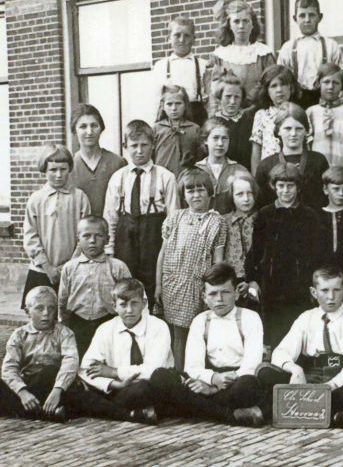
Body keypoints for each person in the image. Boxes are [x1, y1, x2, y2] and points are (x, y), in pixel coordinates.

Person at [257, 266, 343, 431]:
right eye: (324, 290)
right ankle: (337, 416)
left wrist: (328, 388)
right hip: (308, 378)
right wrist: (295, 370)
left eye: (336, 290)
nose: (331, 297)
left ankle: (283, 411)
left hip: (340, 381)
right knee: (264, 370)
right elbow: (280, 352)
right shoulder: (306, 318)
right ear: (314, 292)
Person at [149, 263, 265, 427]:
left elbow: (251, 365)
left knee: (249, 386)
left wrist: (216, 389)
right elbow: (193, 366)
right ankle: (229, 415)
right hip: (207, 378)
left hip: (236, 380)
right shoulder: (200, 321)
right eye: (213, 294)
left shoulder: (250, 318)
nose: (219, 299)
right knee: (160, 377)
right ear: (204, 296)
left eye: (225, 292)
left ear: (236, 293)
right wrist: (212, 379)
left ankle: (191, 408)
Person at [156, 166, 227, 370]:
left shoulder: (217, 222)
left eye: (200, 190)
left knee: (200, 334)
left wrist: (212, 289)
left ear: (209, 192)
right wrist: (158, 285)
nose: (196, 195)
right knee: (178, 335)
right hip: (174, 283)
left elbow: (218, 261)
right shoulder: (175, 218)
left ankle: (197, 376)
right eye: (190, 190)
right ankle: (178, 379)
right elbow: (163, 254)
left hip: (199, 285)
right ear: (183, 194)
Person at [244, 163, 323, 348]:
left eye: (290, 186)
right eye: (281, 186)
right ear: (274, 186)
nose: (285, 191)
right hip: (272, 284)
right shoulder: (265, 214)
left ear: (298, 187)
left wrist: (313, 281)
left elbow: (317, 252)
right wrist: (253, 279)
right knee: (273, 331)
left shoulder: (309, 216)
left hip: (300, 285)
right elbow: (255, 251)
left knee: (299, 329)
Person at [103, 120, 179, 307]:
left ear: (152, 145)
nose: (139, 150)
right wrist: (110, 250)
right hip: (125, 240)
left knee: (153, 287)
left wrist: (169, 252)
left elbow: (173, 218)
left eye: (144, 145)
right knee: (126, 287)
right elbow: (110, 218)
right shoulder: (118, 178)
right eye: (134, 146)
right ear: (125, 147)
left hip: (153, 239)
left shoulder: (165, 176)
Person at [80, 279, 174, 424]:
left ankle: (108, 410)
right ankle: (132, 414)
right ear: (114, 306)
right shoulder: (105, 329)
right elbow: (86, 368)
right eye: (123, 305)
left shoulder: (159, 327)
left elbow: (152, 370)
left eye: (134, 303)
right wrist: (113, 383)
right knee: (79, 390)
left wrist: (113, 372)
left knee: (145, 387)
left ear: (143, 303)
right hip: (118, 390)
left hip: (148, 386)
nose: (129, 310)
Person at [22, 144, 91, 308]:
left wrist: (70, 265)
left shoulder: (80, 197)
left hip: (73, 269)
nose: (59, 175)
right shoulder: (36, 199)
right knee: (42, 314)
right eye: (53, 170)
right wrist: (47, 267)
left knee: (71, 314)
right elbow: (30, 236)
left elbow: (86, 234)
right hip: (42, 270)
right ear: (45, 171)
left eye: (63, 169)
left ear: (69, 169)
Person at [0, 287, 78, 422]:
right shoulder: (19, 335)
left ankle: (31, 411)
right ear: (27, 311)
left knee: (48, 371)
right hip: (27, 386)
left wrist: (57, 390)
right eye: (39, 308)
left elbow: (70, 362)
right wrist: (22, 392)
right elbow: (9, 368)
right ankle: (45, 413)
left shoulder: (65, 333)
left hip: (52, 386)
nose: (46, 313)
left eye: (51, 308)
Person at [58, 215, 131, 357]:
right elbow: (63, 299)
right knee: (79, 358)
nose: (92, 241)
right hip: (78, 323)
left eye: (98, 236)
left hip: (108, 322)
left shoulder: (117, 267)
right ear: (78, 239)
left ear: (107, 239)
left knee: (106, 358)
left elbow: (129, 296)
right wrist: (63, 324)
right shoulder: (70, 268)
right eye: (86, 236)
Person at [255, 103, 329, 210]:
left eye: (299, 129)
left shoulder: (318, 161)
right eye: (287, 129)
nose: (293, 133)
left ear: (306, 131)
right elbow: (261, 203)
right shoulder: (266, 165)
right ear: (278, 131)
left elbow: (325, 200)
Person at [277, 0, 342, 109]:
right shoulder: (287, 48)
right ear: (295, 18)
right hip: (296, 101)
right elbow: (281, 79)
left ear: (320, 17)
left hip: (324, 101)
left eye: (312, 15)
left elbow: (340, 78)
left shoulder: (331, 45)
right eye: (302, 15)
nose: (307, 20)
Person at [209, 0, 275, 107]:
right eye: (236, 21)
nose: (241, 26)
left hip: (257, 108)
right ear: (229, 25)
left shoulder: (263, 53)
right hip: (229, 109)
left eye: (246, 21)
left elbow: (270, 83)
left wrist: (251, 98)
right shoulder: (221, 55)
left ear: (252, 24)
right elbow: (215, 89)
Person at [67, 103, 127, 216]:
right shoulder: (68, 167)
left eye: (94, 125)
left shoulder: (118, 163)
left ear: (101, 128)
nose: (89, 132)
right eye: (83, 126)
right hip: (80, 231)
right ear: (75, 130)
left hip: (113, 230)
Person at [152, 16, 208, 125]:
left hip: (196, 117)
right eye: (177, 35)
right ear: (169, 38)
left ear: (193, 39)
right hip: (169, 119)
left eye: (187, 35)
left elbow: (208, 100)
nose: (182, 40)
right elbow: (156, 100)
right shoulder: (160, 66)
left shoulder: (202, 65)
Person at [250, 65, 301, 172]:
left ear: (291, 88)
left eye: (283, 84)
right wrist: (256, 178)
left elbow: (306, 147)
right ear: (266, 91)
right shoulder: (262, 115)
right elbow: (256, 150)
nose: (279, 90)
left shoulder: (299, 113)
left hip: (294, 172)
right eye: (273, 86)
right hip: (268, 170)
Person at [195, 117, 250, 214]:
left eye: (224, 138)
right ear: (205, 140)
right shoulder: (195, 170)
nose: (220, 143)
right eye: (215, 138)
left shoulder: (240, 171)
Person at [307, 63, 343, 168]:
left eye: (336, 83)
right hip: (317, 170)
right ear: (319, 83)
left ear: (342, 86)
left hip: (341, 169)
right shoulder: (311, 112)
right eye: (326, 82)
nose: (330, 87)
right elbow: (307, 145)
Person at [153, 84, 204, 177]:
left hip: (186, 179)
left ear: (185, 105)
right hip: (162, 179)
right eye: (169, 104)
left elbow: (200, 157)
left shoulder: (194, 129)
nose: (174, 108)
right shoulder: (157, 129)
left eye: (178, 103)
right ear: (162, 106)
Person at [210, 73, 255, 171]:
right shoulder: (212, 123)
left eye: (237, 97)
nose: (232, 101)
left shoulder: (250, 121)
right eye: (228, 96)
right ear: (220, 97)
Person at [317, 166, 343, 271]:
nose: (341, 194)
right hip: (319, 272)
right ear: (326, 189)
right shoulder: (315, 216)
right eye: (336, 189)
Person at [223, 173, 259, 284]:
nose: (246, 199)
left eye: (250, 193)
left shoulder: (262, 219)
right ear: (231, 196)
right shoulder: (223, 221)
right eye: (240, 194)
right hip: (230, 279)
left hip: (256, 280)